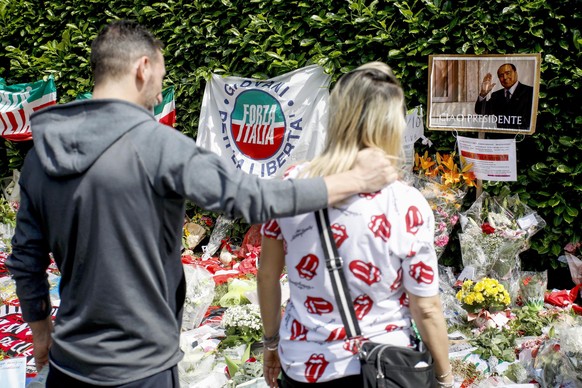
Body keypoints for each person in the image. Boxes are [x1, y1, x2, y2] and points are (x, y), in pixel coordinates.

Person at [5, 21, 397, 388]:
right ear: (142, 68)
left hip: (68, 364)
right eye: (160, 74)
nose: (161, 90)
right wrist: (353, 180)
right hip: (143, 367)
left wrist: (40, 332)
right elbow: (253, 199)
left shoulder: (42, 154)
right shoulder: (159, 146)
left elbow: (25, 258)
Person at [258, 62, 453, 388]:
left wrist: (271, 342)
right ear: (392, 125)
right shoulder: (406, 203)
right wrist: (444, 378)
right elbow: (427, 308)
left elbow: (267, 275)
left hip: (305, 364)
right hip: (384, 366)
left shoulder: (293, 186)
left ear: (338, 116)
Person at [474, 63, 534, 130]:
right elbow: (480, 111)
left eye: (508, 73)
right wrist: (483, 93)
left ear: (515, 73)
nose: (505, 77)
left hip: (522, 138)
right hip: (501, 139)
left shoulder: (530, 92)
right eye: (501, 75)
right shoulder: (496, 95)